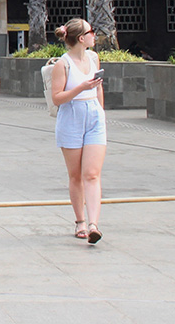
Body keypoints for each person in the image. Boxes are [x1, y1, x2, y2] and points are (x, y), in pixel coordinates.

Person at [50, 19, 107, 244]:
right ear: (81, 38)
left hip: (93, 115)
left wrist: (101, 112)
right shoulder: (62, 64)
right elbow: (57, 98)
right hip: (71, 116)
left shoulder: (93, 58)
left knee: (92, 173)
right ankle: (80, 221)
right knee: (76, 175)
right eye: (91, 32)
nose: (95, 35)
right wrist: (81, 87)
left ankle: (94, 224)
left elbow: (99, 86)